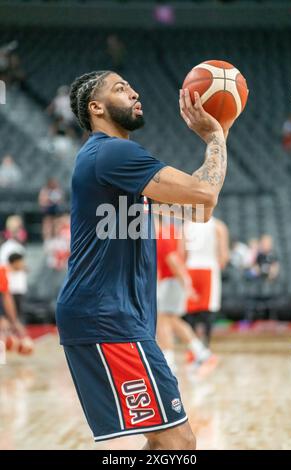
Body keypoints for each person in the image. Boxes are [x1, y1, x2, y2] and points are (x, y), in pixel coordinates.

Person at [56, 70, 228, 450]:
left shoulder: (118, 169)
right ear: (95, 108)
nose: (134, 92)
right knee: (177, 444)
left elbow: (198, 212)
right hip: (106, 318)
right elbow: (206, 196)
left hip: (112, 317)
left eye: (133, 86)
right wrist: (215, 136)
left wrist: (223, 134)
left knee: (161, 442)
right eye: (120, 88)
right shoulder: (111, 152)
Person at [156, 218, 212, 373]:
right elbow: (181, 256)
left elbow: (173, 260)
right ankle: (200, 351)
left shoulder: (163, 234)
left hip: (172, 282)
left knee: (163, 320)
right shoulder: (173, 231)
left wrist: (185, 283)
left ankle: (169, 360)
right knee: (172, 320)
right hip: (173, 281)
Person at [183, 217, 229, 346]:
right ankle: (206, 346)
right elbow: (224, 255)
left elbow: (183, 252)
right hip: (209, 268)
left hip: (191, 267)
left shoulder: (187, 225)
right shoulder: (218, 225)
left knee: (191, 309)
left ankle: (193, 348)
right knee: (208, 308)